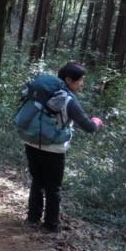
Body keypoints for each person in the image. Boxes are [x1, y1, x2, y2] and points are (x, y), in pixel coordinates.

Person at [23, 62, 103, 234]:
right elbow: (88, 126)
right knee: (53, 187)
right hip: (53, 149)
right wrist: (97, 122)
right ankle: (50, 225)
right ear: (68, 80)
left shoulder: (41, 91)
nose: (82, 84)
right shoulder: (68, 99)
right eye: (80, 80)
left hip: (31, 143)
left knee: (37, 180)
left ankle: (32, 218)